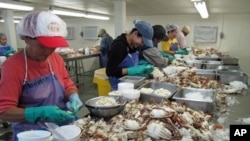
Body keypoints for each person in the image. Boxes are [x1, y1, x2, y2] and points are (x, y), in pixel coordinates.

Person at [0, 11, 83, 141]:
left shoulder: (56, 58)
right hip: (33, 134)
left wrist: (72, 94)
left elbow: (66, 82)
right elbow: (4, 111)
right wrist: (39, 113)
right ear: (27, 38)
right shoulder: (12, 66)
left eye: (53, 46)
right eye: (44, 45)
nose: (49, 51)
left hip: (62, 128)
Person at [106, 20, 154, 90]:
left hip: (132, 83)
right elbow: (110, 71)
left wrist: (141, 66)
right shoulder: (119, 46)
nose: (142, 44)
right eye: (142, 41)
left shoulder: (134, 45)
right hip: (119, 87)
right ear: (135, 33)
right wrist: (131, 70)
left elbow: (131, 63)